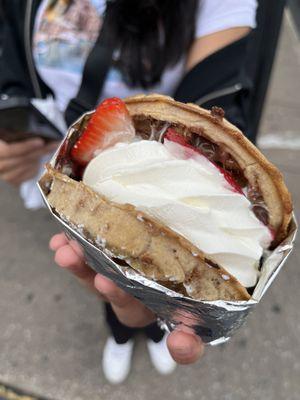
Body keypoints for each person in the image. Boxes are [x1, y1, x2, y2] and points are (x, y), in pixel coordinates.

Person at [0, 0, 257, 384]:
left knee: (137, 283)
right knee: (97, 267)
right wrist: (12, 133)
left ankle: (151, 329)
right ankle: (120, 334)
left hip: (152, 181)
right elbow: (12, 67)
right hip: (64, 174)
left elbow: (212, 122)